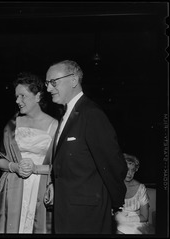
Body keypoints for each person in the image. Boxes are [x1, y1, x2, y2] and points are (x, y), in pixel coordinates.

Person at [45, 60, 127, 234]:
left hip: (87, 213)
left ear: (73, 80)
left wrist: (116, 203)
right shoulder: (67, 113)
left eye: (53, 82)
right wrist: (54, 184)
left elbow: (114, 164)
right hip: (67, 209)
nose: (48, 89)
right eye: (47, 83)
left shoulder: (91, 114)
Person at [0, 72, 58, 233]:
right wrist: (14, 167)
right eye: (16, 97)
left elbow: (60, 166)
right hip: (14, 188)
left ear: (38, 96)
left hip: (41, 188)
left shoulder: (55, 125)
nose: (17, 101)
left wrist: (35, 168)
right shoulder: (12, 125)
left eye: (22, 96)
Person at [114, 153, 150, 234]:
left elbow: (145, 217)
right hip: (118, 222)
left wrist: (124, 219)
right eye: (126, 169)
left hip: (137, 224)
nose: (129, 173)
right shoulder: (114, 186)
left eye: (132, 170)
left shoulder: (141, 188)